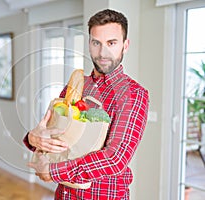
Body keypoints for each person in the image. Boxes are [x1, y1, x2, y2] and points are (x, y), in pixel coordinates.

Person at [24, 9, 149, 199]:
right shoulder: (76, 86)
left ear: (125, 45)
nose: (102, 52)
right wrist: (33, 139)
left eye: (111, 43)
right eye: (96, 43)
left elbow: (115, 159)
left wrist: (54, 171)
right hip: (64, 193)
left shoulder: (133, 94)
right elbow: (56, 133)